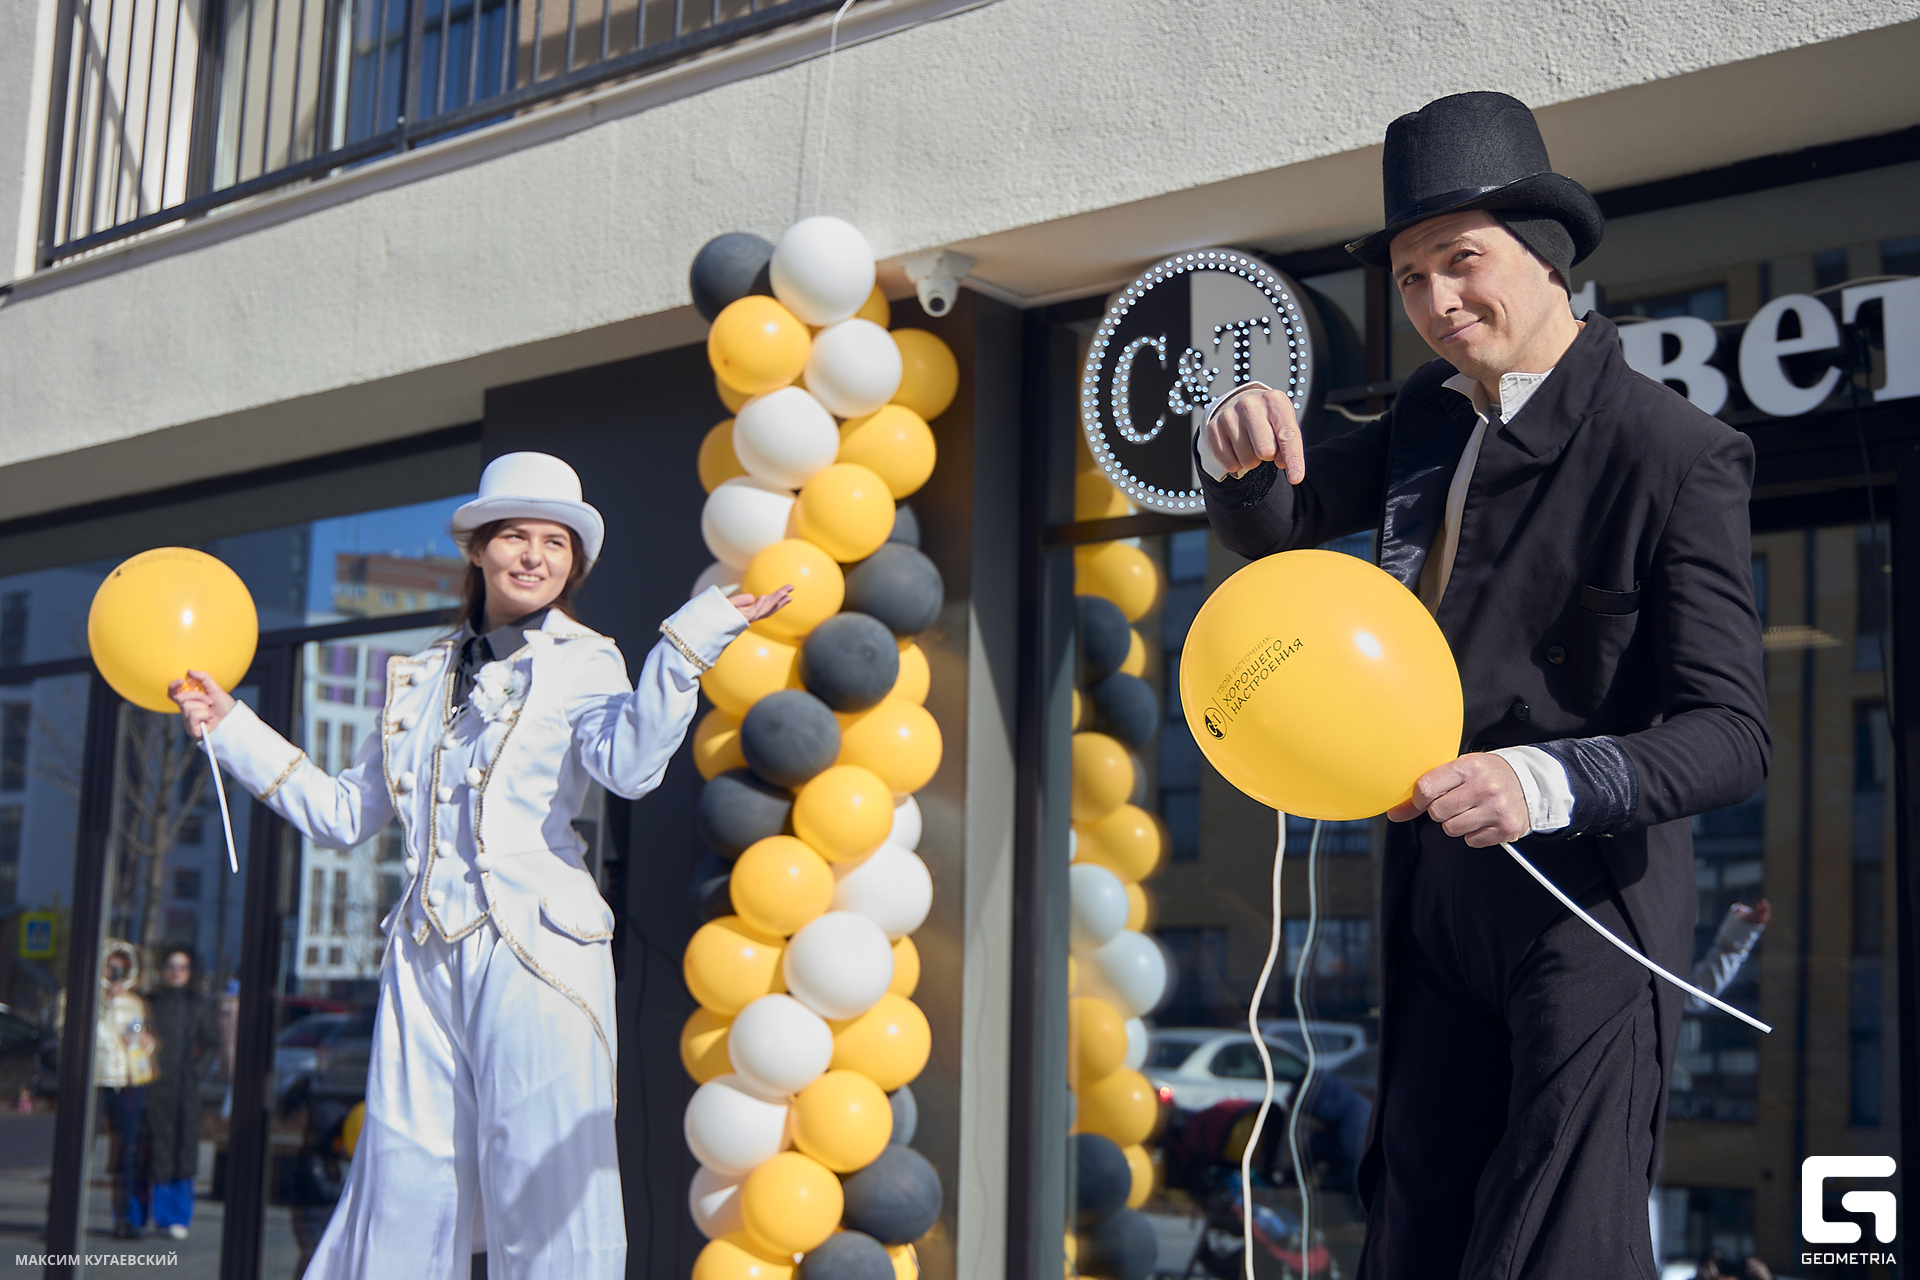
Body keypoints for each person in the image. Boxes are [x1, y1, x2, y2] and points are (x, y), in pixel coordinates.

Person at [1197, 92, 1770, 1277]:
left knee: (1553, 1230)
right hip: (1434, 884)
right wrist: (1236, 451)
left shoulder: (1675, 451)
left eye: (1461, 260)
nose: (1437, 302)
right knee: (1419, 1212)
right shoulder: (1427, 411)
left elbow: (1732, 734)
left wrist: (1540, 778)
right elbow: (1284, 517)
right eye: (1411, 278)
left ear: (1547, 254)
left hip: (1587, 901)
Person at [171, 452, 790, 1278]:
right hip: (423, 953)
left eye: (555, 543)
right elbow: (345, 814)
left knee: (543, 1180)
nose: (534, 556)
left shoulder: (586, 659)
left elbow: (632, 768)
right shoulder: (418, 675)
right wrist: (230, 726)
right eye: (515, 536)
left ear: (574, 563)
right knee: (404, 1181)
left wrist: (686, 648)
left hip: (537, 949)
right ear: (477, 548)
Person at [142, 944, 221, 1240]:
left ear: (190, 972)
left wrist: (195, 1072)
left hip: (184, 1091)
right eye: (171, 966)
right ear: (163, 970)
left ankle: (176, 1216)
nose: (177, 972)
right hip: (151, 1087)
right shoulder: (150, 1003)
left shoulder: (198, 1005)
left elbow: (212, 1043)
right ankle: (142, 1216)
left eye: (183, 967)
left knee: (182, 1152)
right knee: (150, 1150)